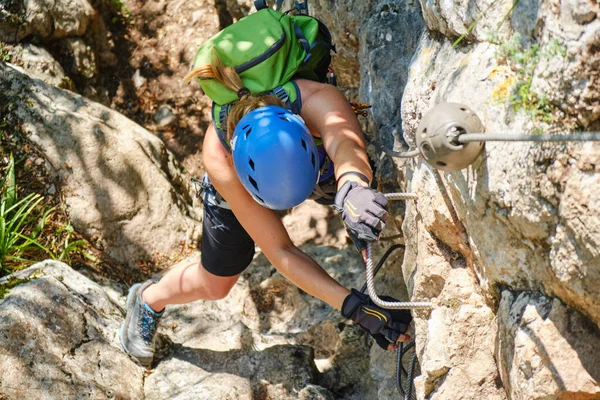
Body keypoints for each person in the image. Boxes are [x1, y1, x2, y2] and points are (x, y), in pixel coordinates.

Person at [120, 10, 412, 368]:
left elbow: (345, 146)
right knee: (217, 282)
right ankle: (149, 299)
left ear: (304, 128)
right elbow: (280, 250)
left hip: (315, 166)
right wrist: (354, 308)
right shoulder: (220, 156)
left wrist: (352, 186)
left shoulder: (317, 99)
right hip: (238, 187)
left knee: (364, 189)